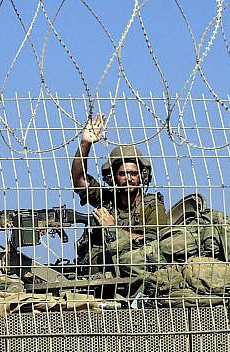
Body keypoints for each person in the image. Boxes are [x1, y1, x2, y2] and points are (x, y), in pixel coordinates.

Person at [69, 114, 170, 278]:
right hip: (100, 272)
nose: (129, 178)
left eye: (133, 173)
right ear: (113, 177)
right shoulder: (107, 199)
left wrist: (113, 228)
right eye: (123, 174)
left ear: (142, 177)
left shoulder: (151, 206)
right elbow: (79, 179)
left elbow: (155, 242)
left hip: (134, 273)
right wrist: (85, 144)